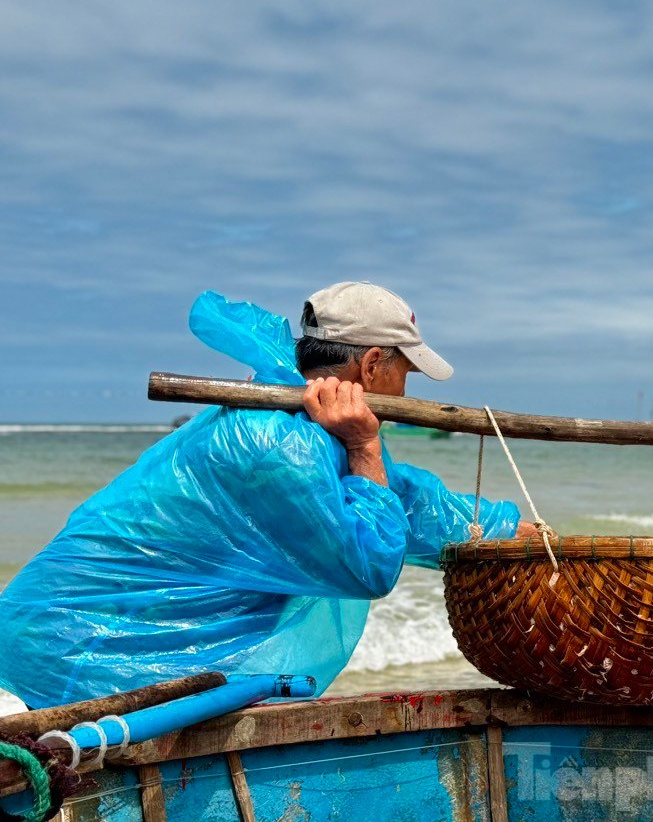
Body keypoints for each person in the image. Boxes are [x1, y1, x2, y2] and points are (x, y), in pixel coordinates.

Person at [0, 282, 529, 708]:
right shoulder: (278, 444)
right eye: (405, 372)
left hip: (84, 646)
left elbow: (401, 501)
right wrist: (365, 442)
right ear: (370, 366)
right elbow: (368, 565)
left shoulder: (310, 432)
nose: (407, 393)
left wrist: (504, 529)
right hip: (71, 654)